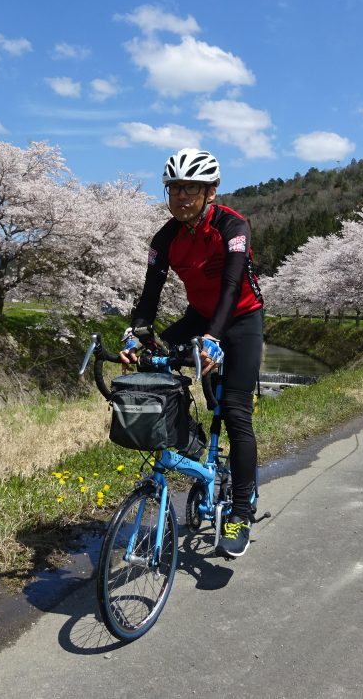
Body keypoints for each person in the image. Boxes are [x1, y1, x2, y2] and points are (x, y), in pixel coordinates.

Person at [119, 148, 264, 559]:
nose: (181, 197)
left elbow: (233, 286)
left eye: (191, 189)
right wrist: (136, 335)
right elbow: (149, 295)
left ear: (210, 191)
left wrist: (214, 339)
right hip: (199, 317)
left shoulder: (232, 226)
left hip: (240, 320)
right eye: (175, 189)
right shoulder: (165, 238)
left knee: (234, 411)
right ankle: (195, 446)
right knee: (158, 365)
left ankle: (239, 511)